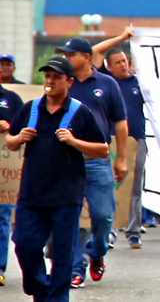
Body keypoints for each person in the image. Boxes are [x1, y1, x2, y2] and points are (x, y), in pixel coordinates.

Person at [8, 57, 108, 302]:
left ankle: (57, 297)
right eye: (48, 76)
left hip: (66, 193)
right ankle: (39, 288)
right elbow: (10, 143)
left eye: (56, 77)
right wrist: (19, 137)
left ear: (69, 82)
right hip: (32, 193)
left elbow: (103, 149)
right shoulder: (30, 108)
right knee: (24, 244)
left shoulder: (79, 112)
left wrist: (75, 142)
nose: (50, 81)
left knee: (62, 252)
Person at [54, 37, 128, 288]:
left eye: (70, 54)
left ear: (86, 57)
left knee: (103, 215)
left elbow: (120, 122)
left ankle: (96, 252)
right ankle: (76, 268)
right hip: (67, 160)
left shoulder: (107, 84)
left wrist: (122, 159)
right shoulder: (64, 84)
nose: (66, 59)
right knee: (70, 216)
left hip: (97, 159)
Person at [91, 28, 149, 248]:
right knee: (111, 186)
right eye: (117, 62)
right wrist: (122, 37)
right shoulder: (105, 82)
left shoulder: (139, 82)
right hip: (112, 141)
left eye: (125, 60)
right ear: (109, 66)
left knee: (135, 186)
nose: (123, 65)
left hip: (137, 140)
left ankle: (133, 231)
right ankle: (110, 231)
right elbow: (95, 51)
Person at [0, 80, 24, 286]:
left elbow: (26, 127)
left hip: (4, 170)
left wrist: (9, 126)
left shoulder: (12, 99)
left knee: (2, 217)